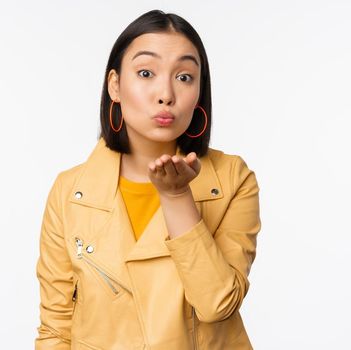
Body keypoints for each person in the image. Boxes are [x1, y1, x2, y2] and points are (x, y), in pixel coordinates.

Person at [34, 9, 262, 349]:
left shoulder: (231, 179)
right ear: (115, 85)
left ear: (200, 90)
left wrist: (176, 196)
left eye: (184, 77)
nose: (166, 94)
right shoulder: (70, 192)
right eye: (146, 72)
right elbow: (55, 329)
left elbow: (218, 303)